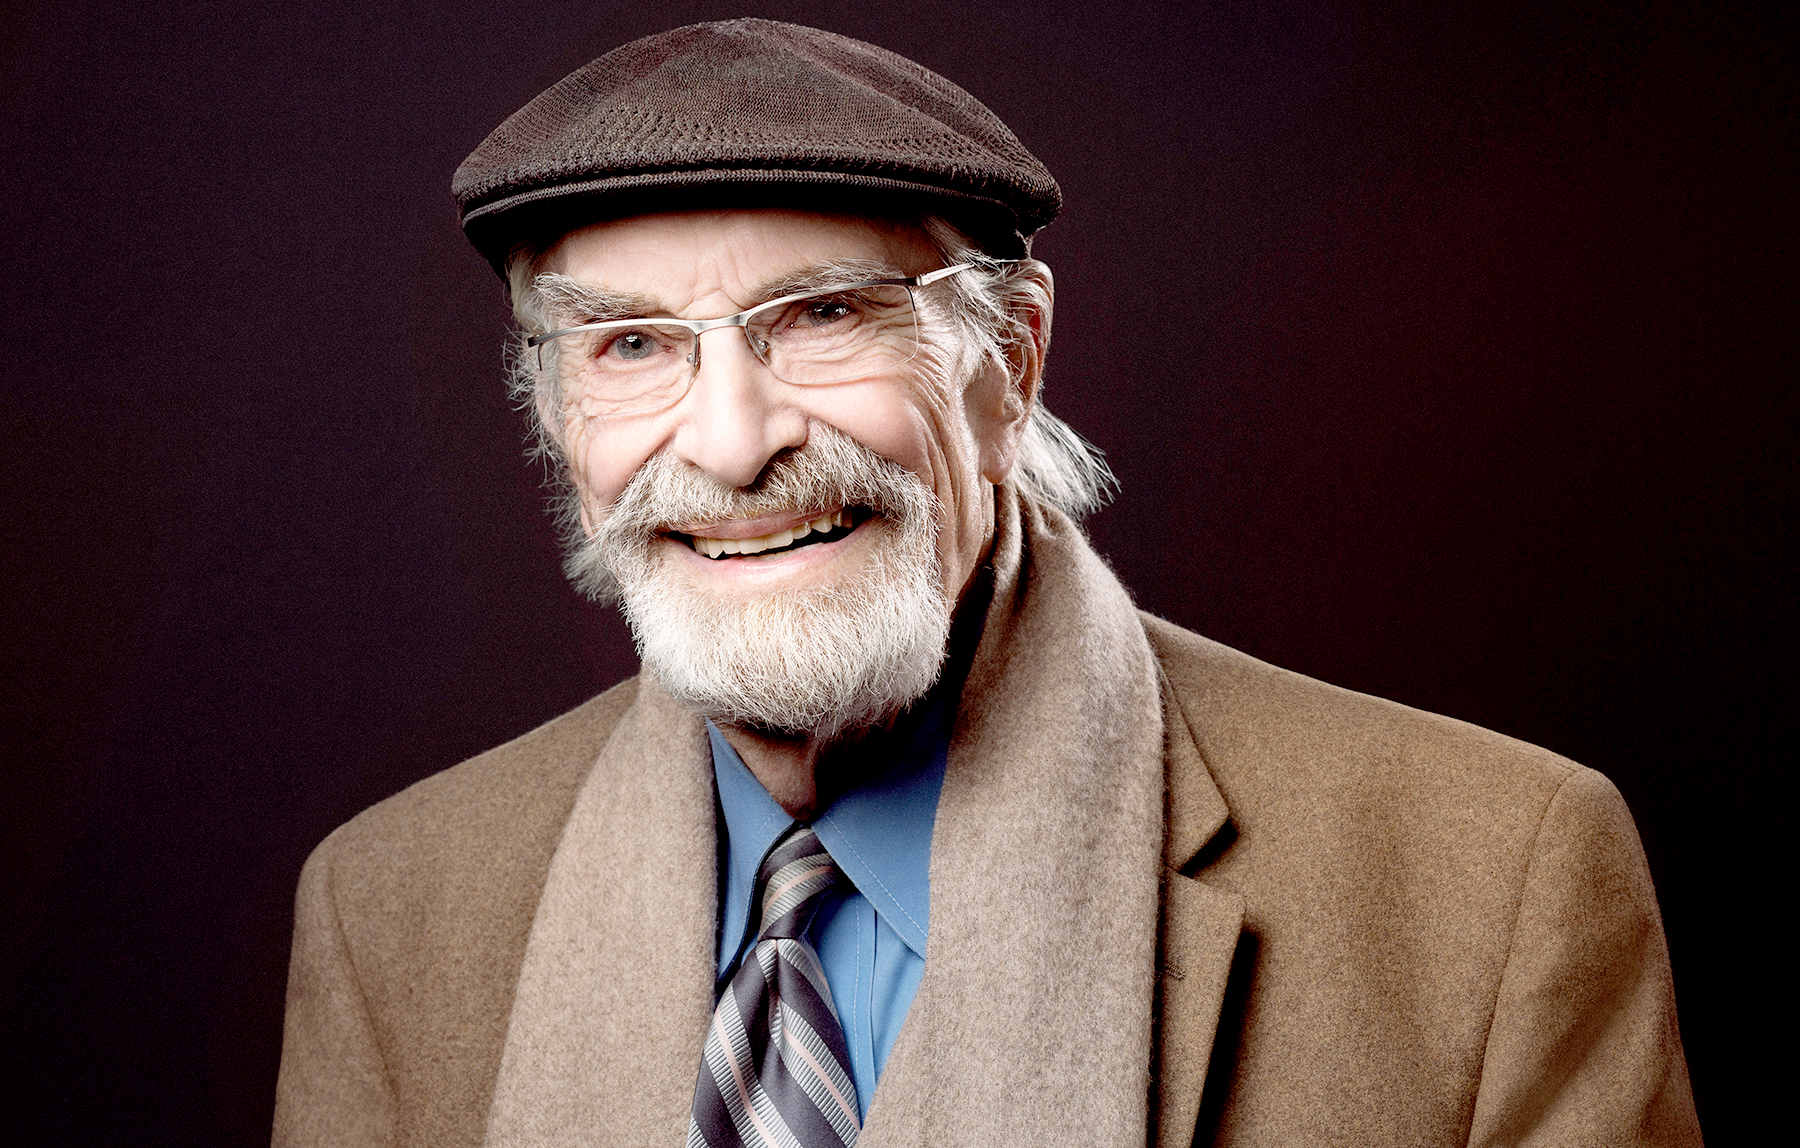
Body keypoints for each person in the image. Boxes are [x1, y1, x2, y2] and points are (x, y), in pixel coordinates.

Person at [272, 19, 1700, 1148]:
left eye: (823, 315)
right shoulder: (390, 911)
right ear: (552, 404)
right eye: (630, 346)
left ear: (1010, 360)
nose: (731, 440)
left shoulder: (1496, 887)